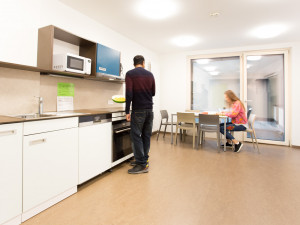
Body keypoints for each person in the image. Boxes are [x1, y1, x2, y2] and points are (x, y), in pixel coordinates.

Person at [125, 55, 155, 174]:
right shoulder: (150, 75)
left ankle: (142, 164)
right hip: (149, 110)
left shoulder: (130, 74)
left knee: (136, 136)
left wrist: (127, 111)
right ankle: (143, 159)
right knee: (146, 136)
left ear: (134, 63)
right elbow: (153, 92)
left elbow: (129, 94)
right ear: (143, 63)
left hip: (138, 110)